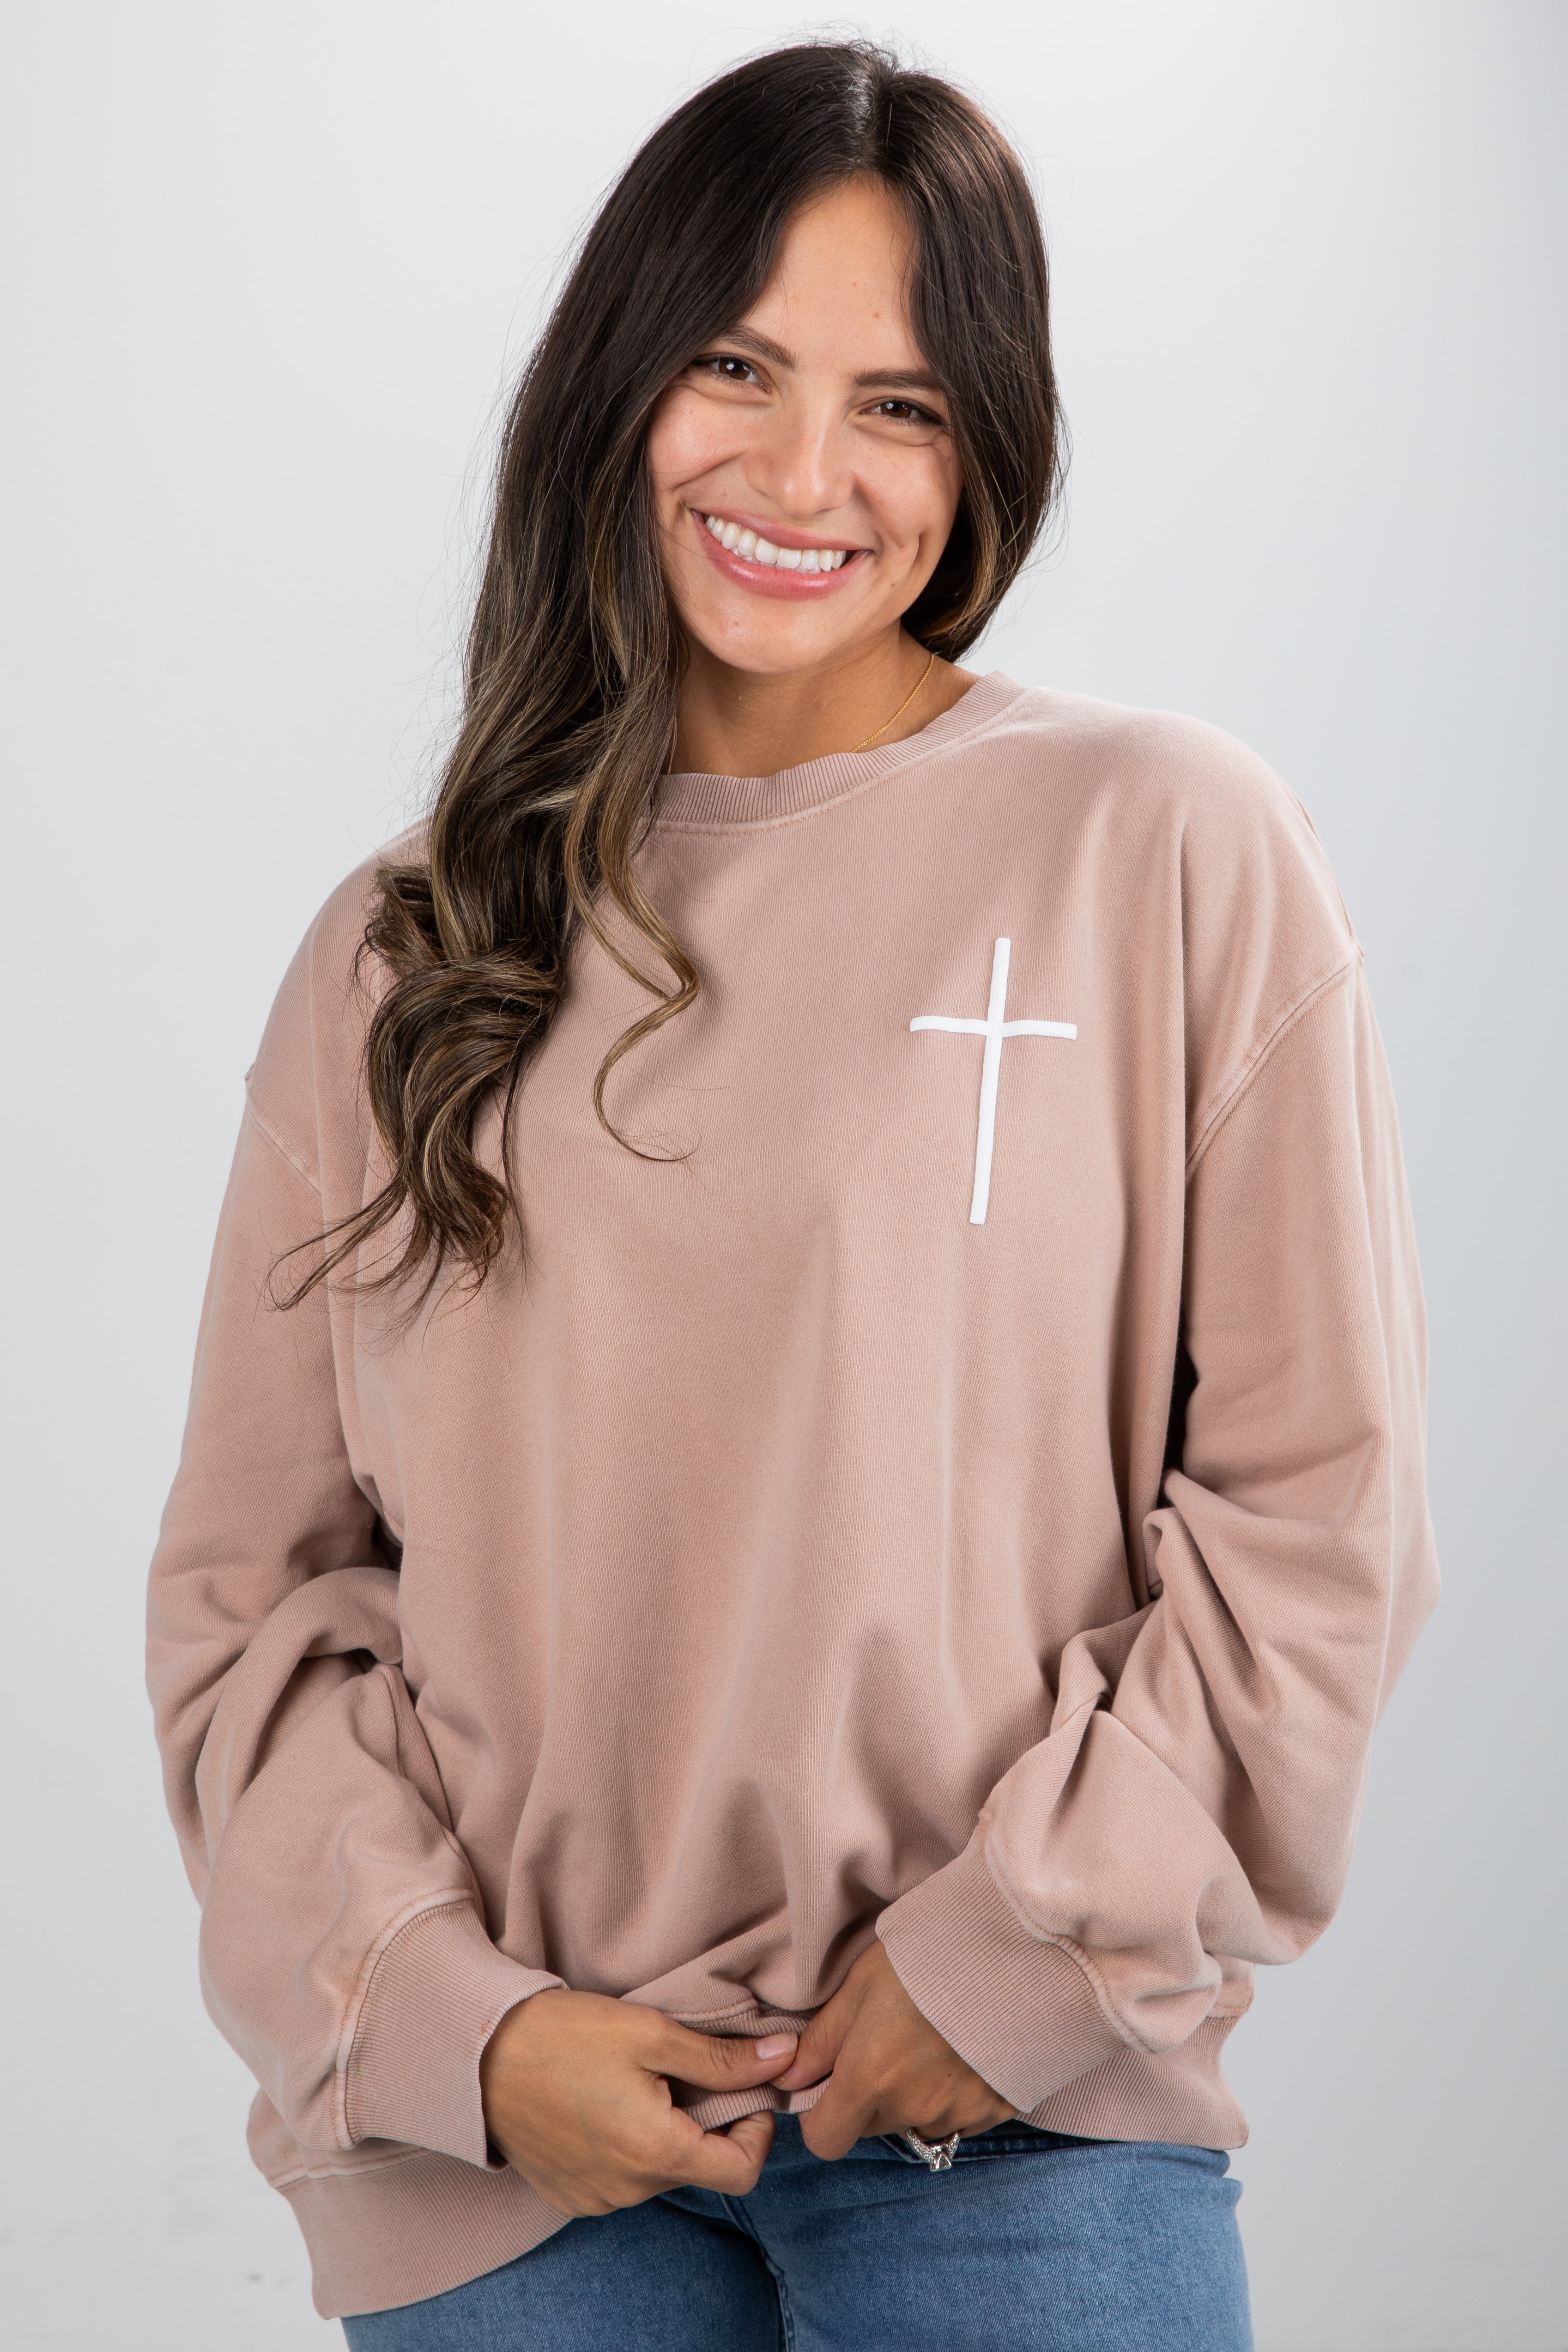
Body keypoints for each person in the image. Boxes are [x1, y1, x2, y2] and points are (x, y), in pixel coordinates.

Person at [146, 39, 1438, 2352]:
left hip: (1008, 2105)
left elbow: (1314, 1513)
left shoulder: (1164, 844)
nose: (806, 472)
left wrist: (1015, 1951)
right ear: (620, 380)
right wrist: (456, 2019)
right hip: (516, 2151)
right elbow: (260, 1602)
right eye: (736, 366)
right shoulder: (400, 946)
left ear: (990, 445)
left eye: (904, 403)